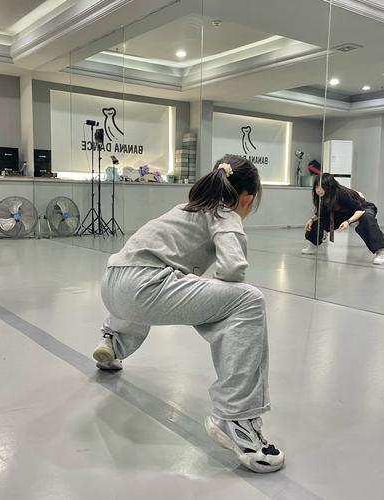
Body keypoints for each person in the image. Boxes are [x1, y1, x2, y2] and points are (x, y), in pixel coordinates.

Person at [92, 154, 284, 473]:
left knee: (161, 282)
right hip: (144, 288)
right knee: (248, 301)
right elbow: (233, 268)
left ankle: (112, 342)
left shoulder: (186, 209)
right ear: (247, 198)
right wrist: (216, 297)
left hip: (112, 281)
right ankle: (237, 420)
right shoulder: (225, 213)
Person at [302, 174, 384, 265]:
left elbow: (360, 210)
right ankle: (314, 244)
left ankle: (380, 250)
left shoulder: (341, 194)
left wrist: (348, 222)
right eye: (316, 186)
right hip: (345, 212)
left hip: (363, 208)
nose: (318, 189)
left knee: (367, 218)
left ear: (329, 186)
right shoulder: (324, 196)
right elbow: (321, 212)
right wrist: (311, 219)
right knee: (317, 221)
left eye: (321, 186)